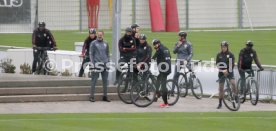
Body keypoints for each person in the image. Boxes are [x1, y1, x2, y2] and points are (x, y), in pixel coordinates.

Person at [89, 30, 110, 102]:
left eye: (101, 34)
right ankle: (91, 96)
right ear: (97, 35)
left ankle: (105, 96)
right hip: (96, 64)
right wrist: (92, 63)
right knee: (94, 81)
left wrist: (108, 62)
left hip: (105, 64)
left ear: (103, 35)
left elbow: (107, 53)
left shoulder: (106, 43)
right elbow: (91, 54)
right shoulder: (93, 43)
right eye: (98, 34)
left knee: (105, 81)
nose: (100, 36)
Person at [216, 41, 237, 109]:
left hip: (229, 72)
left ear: (227, 47)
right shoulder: (219, 55)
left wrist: (228, 71)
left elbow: (232, 64)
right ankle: (220, 103)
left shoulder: (230, 54)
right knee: (221, 88)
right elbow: (217, 64)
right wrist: (223, 70)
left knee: (233, 83)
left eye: (224, 47)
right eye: (222, 47)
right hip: (221, 72)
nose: (223, 48)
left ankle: (235, 96)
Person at [152, 39, 171, 108]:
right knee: (158, 79)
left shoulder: (159, 50)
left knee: (163, 87)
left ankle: (166, 103)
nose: (154, 46)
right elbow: (170, 57)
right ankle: (158, 93)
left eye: (154, 45)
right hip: (167, 69)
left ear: (158, 44)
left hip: (164, 70)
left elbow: (153, 57)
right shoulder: (165, 48)